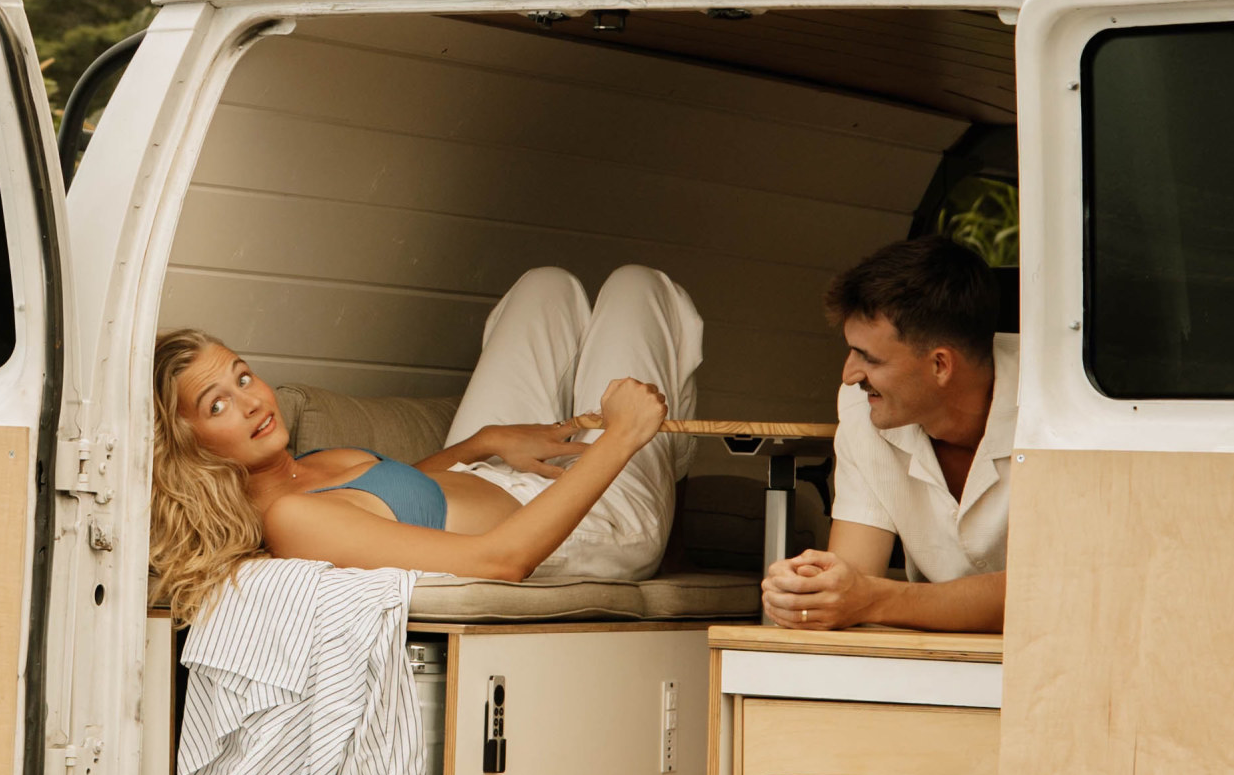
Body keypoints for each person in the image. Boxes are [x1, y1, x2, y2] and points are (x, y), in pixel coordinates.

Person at [151, 266, 700, 620]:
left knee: (545, 287)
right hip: (582, 526)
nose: (250, 402)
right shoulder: (292, 518)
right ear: (187, 444)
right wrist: (623, 436)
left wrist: (483, 443)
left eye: (243, 377)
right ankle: (665, 496)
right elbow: (503, 560)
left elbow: (402, 499)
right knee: (639, 287)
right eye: (216, 404)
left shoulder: (302, 471)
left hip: (502, 479)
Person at [762, 234, 1012, 634]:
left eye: (868, 358)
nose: (849, 375)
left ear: (941, 365)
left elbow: (1053, 590)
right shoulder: (863, 408)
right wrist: (811, 591)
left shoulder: (1063, 406)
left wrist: (875, 598)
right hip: (938, 665)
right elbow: (851, 584)